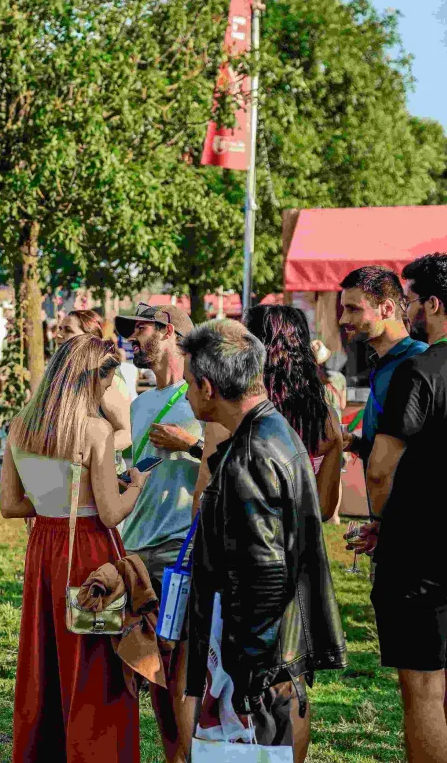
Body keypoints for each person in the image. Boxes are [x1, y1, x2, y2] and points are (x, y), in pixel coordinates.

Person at [180, 320, 345, 762]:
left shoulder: (250, 456)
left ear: (208, 386)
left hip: (257, 662)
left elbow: (266, 574)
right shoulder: (268, 430)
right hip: (271, 654)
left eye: (188, 385)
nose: (186, 395)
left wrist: (252, 677)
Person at [0, 335, 149, 762]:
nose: (111, 386)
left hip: (43, 546)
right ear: (93, 375)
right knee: (94, 663)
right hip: (87, 550)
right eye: (110, 375)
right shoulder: (95, 429)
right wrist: (135, 486)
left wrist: (51, 500)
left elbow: (10, 504)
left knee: (42, 657)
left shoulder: (22, 425)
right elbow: (109, 513)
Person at [113, 301, 223, 761]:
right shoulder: (139, 403)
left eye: (141, 329)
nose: (132, 339)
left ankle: (190, 754)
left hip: (181, 547)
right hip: (135, 547)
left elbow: (225, 463)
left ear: (170, 333)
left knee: (183, 667)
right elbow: (136, 469)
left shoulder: (203, 394)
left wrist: (190, 444)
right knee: (149, 666)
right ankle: (171, 755)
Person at [352, 253, 447, 763]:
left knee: (424, 690)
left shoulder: (420, 369)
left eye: (411, 302)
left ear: (433, 303)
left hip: (422, 554)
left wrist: (383, 527)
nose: (408, 313)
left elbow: (380, 470)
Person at [244, 306, 344, 521]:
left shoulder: (237, 408)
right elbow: (324, 509)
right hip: (296, 546)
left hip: (241, 541)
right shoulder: (326, 419)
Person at [339, 265, 428, 468]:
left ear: (387, 308)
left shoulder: (418, 362)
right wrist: (355, 443)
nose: (343, 319)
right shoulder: (384, 362)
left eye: (353, 309)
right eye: (344, 309)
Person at [59, 310, 132, 453]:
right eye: (59, 328)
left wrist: (86, 453)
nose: (59, 335)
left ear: (89, 337)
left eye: (67, 330)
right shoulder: (61, 372)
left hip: (102, 472)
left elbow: (126, 434)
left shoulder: (105, 374)